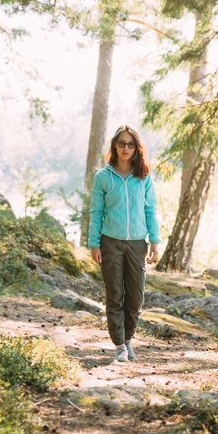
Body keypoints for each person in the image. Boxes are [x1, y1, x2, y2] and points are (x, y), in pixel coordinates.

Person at [88, 125, 160, 363]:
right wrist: (94, 244)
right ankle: (120, 344)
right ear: (114, 146)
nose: (126, 148)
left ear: (136, 148)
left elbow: (151, 210)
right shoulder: (103, 178)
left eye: (130, 144)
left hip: (138, 243)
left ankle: (128, 338)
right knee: (115, 294)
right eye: (122, 143)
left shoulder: (144, 176)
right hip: (110, 243)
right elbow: (96, 212)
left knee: (136, 296)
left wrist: (155, 241)